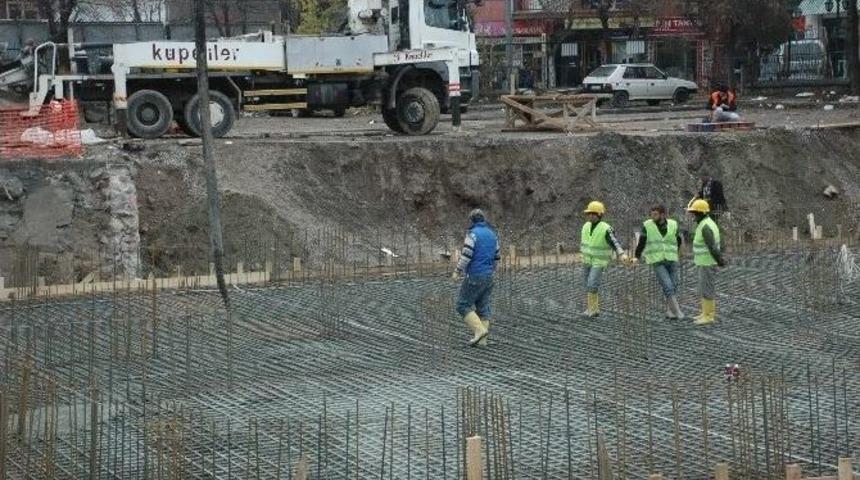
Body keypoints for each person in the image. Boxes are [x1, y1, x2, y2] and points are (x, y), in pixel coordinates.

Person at [452, 208, 500, 346]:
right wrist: (491, 271)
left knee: (462, 305)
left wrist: (457, 271)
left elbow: (466, 256)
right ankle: (482, 341)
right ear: (483, 219)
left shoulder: (472, 235)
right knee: (483, 307)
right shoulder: (492, 235)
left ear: (471, 220)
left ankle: (479, 331)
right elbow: (497, 257)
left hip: (474, 275)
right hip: (489, 276)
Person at [580, 200, 630, 318]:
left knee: (592, 284)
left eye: (593, 213)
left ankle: (592, 309)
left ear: (599, 215)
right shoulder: (586, 226)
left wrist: (621, 254)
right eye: (589, 213)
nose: (590, 216)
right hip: (587, 260)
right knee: (587, 284)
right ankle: (592, 308)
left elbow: (614, 242)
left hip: (599, 261)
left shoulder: (606, 228)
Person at [634, 205, 684, 319]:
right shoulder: (647, 225)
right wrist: (636, 256)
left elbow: (678, 240)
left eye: (655, 214)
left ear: (662, 214)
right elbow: (642, 242)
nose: (652, 216)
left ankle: (669, 311)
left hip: (672, 259)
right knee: (667, 285)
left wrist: (675, 252)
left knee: (674, 285)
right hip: (657, 261)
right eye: (651, 214)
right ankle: (677, 311)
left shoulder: (673, 224)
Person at [687, 199, 726, 326]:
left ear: (701, 213)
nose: (693, 216)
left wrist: (719, 260)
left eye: (695, 213)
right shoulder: (706, 223)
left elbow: (712, 246)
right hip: (703, 262)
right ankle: (704, 313)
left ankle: (709, 316)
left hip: (707, 262)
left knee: (707, 288)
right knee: (703, 288)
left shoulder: (705, 226)